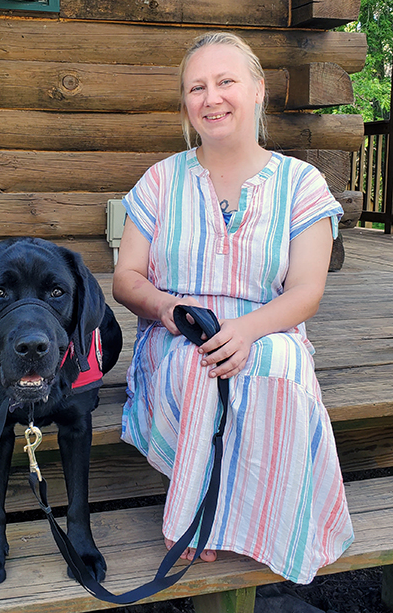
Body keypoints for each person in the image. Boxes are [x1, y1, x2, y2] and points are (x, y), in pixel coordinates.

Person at [112, 31, 354, 584]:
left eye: (225, 82)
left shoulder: (302, 184)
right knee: (201, 364)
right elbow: (125, 278)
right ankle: (199, 516)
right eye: (197, 87)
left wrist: (247, 329)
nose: (211, 97)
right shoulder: (158, 182)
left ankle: (272, 524)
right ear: (185, 104)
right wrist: (170, 310)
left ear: (259, 91)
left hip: (270, 325)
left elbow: (306, 291)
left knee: (276, 369)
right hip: (179, 328)